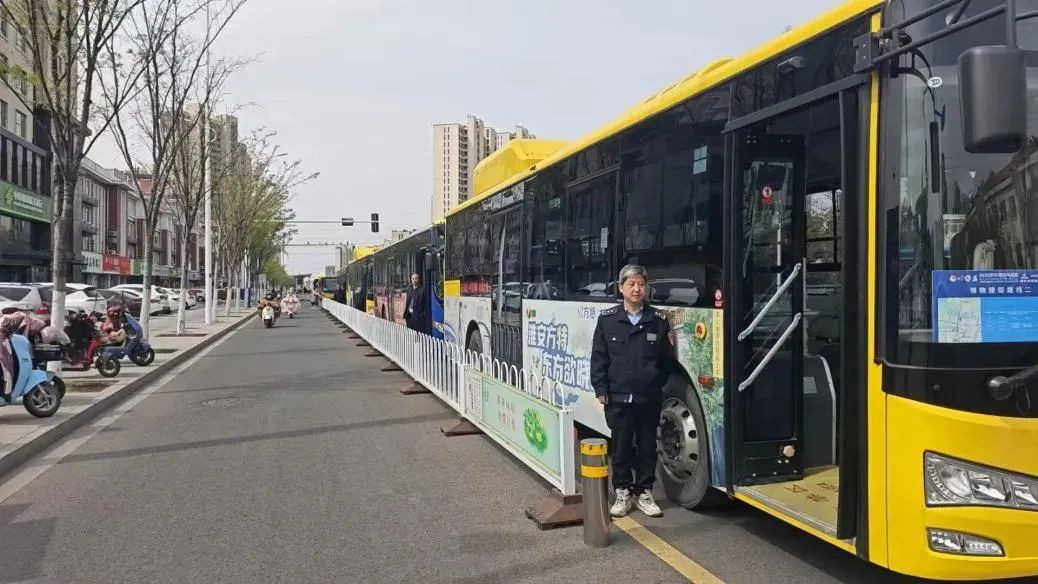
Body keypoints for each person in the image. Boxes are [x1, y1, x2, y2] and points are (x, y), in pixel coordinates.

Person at [590, 264, 673, 518]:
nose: (637, 289)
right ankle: (623, 491)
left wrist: (654, 382)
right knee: (621, 447)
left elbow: (667, 361)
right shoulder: (608, 321)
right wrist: (601, 388)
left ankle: (644, 491)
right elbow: (599, 358)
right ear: (621, 288)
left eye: (641, 284)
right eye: (631, 284)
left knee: (647, 447)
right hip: (618, 396)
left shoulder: (658, 321)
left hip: (648, 397)